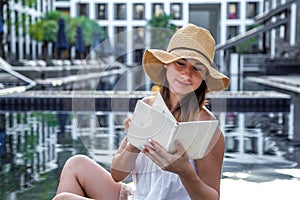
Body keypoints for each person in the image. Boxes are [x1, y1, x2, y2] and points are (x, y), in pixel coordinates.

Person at [53, 23, 230, 200]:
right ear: (166, 65)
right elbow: (117, 174)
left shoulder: (208, 130)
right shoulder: (148, 106)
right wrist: (134, 142)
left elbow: (212, 198)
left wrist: (185, 171)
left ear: (205, 76)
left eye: (197, 68)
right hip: (139, 197)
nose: (186, 74)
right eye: (180, 63)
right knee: (75, 164)